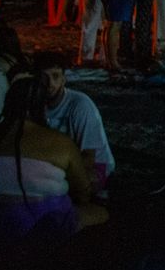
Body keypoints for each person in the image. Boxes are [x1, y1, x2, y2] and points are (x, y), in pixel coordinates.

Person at [0, 74, 108, 239]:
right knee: (100, 213)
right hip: (38, 226)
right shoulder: (59, 142)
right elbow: (83, 192)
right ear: (43, 107)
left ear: (6, 105)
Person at [36, 51, 115, 188]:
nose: (50, 83)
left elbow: (89, 157)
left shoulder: (80, 105)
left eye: (55, 76)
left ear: (64, 79)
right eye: (44, 77)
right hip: (59, 164)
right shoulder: (35, 103)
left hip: (96, 167)